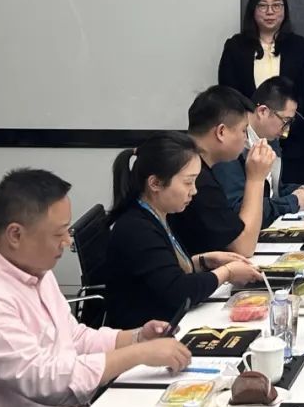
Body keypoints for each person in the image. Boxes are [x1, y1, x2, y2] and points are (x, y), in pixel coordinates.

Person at [0, 169, 190, 407]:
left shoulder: (33, 268)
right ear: (15, 234)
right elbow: (44, 380)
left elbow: (72, 338)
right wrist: (139, 354)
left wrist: (136, 338)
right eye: (58, 234)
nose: (67, 241)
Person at [105, 133, 266, 329]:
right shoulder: (136, 229)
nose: (194, 191)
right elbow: (180, 291)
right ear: (155, 183)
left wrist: (204, 261)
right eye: (188, 182)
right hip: (147, 332)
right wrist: (227, 272)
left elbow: (164, 269)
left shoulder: (158, 213)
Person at [218, 0, 304, 188]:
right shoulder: (236, 46)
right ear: (253, 11)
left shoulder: (300, 46)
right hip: (246, 141)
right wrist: (253, 128)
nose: (270, 12)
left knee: (285, 193)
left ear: (285, 10)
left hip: (292, 142)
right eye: (263, 6)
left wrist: (284, 127)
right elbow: (228, 94)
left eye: (276, 5)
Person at [170, 85, 276, 257]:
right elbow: (243, 247)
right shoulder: (197, 179)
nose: (245, 138)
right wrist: (256, 179)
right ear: (221, 132)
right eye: (243, 130)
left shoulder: (187, 163)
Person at [212, 76, 304, 225]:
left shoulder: (270, 140)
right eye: (285, 122)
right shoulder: (233, 143)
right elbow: (239, 208)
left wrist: (296, 191)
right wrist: (293, 201)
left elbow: (271, 192)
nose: (286, 131)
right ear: (262, 111)